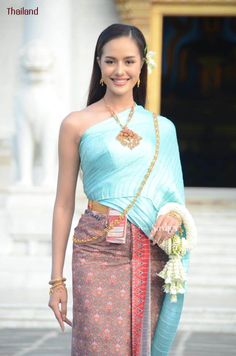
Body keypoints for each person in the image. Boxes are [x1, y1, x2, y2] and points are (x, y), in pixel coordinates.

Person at [48, 23, 197, 356]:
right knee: (97, 347)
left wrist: (173, 215)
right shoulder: (76, 123)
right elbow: (62, 204)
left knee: (140, 344)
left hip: (150, 246)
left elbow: (173, 199)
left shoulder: (162, 129)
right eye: (110, 61)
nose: (120, 70)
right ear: (98, 64)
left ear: (142, 64)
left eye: (129, 61)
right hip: (96, 248)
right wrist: (56, 280)